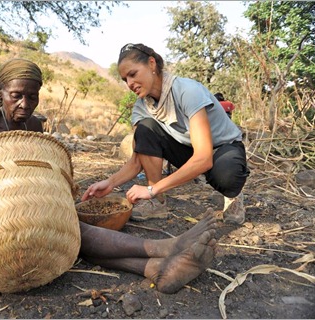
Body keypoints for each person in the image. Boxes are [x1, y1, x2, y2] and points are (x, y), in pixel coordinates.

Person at [0, 57, 218, 294]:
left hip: (30, 209)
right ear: (0, 92)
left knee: (69, 239)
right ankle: (165, 247)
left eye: (32, 97)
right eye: (16, 96)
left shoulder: (33, 125)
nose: (24, 103)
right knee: (71, 229)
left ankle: (156, 270)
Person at [82, 43, 250, 225]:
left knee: (227, 176)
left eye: (133, 74)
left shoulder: (187, 91)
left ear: (152, 64)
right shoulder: (141, 106)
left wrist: (150, 189)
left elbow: (204, 158)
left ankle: (234, 196)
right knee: (145, 129)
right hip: (187, 149)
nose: (129, 84)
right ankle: (157, 202)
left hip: (222, 149)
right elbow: (138, 159)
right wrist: (110, 183)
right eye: (125, 79)